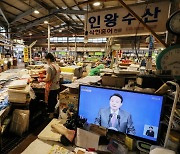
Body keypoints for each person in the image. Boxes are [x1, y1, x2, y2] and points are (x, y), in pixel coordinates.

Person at [39, 53, 60, 118]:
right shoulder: (57, 66)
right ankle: (55, 112)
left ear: (48, 59)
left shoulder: (50, 67)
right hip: (57, 86)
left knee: (51, 101)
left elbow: (48, 79)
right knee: (54, 100)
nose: (46, 62)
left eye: (46, 60)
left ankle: (51, 115)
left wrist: (41, 80)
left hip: (52, 87)